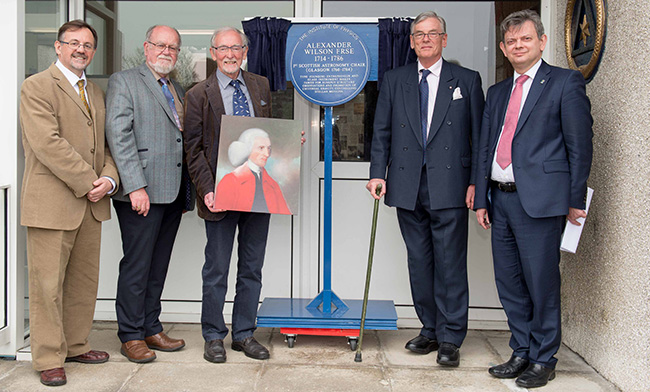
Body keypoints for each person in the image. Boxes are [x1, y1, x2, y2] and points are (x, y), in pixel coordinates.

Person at [474, 10, 592, 388]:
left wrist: (576, 199)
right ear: (504, 50)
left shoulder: (565, 83)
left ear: (541, 41)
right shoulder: (497, 92)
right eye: (511, 41)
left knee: (541, 283)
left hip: (541, 202)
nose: (518, 45)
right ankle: (521, 350)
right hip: (500, 200)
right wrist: (480, 197)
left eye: (525, 38)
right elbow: (485, 147)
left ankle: (544, 357)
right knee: (509, 282)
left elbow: (580, 145)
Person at [367, 11, 484, 367]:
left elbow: (479, 138)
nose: (426, 39)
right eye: (419, 34)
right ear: (412, 41)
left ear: (444, 40)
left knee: (449, 264)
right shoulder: (394, 79)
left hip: (449, 185)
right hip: (407, 185)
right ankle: (430, 328)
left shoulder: (466, 79)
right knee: (419, 262)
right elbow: (381, 131)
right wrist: (377, 173)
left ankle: (451, 337)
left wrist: (477, 183)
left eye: (433, 34)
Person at [20, 20, 119, 386]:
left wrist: (109, 179)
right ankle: (47, 356)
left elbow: (105, 146)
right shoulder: (37, 86)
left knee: (82, 282)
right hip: (52, 203)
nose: (81, 49)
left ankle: (76, 344)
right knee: (47, 286)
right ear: (58, 47)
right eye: (74, 43)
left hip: (91, 203)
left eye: (88, 44)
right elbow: (47, 143)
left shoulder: (94, 91)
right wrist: (89, 182)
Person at [184, 26, 275, 363]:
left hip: (257, 193)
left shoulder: (260, 85)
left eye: (235, 48)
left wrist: (285, 143)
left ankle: (244, 334)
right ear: (213, 53)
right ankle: (213, 335)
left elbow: (269, 132)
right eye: (223, 48)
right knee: (217, 268)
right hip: (220, 195)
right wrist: (207, 190)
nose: (229, 54)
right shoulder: (197, 94)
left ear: (245, 51)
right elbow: (193, 150)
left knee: (252, 268)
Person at [105, 25, 192, 363]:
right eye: (160, 45)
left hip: (171, 193)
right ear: (146, 47)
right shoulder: (124, 81)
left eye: (173, 47)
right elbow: (119, 134)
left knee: (158, 264)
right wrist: (135, 185)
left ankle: (151, 326)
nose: (166, 51)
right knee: (137, 265)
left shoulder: (177, 87)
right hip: (140, 192)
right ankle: (130, 334)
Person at [215, 128, 291, 214]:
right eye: (261, 148)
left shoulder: (273, 185)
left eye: (268, 148)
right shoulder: (230, 181)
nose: (267, 154)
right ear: (247, 149)